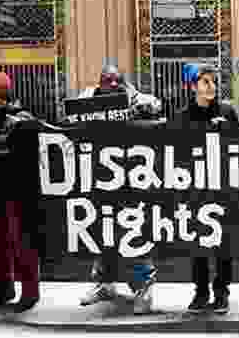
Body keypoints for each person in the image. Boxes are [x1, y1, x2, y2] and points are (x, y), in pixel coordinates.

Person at [77, 64, 162, 314]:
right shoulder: (89, 99)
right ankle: (104, 283)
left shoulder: (137, 98)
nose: (112, 86)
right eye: (107, 81)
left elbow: (155, 106)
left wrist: (142, 108)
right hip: (101, 180)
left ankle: (143, 288)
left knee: (135, 237)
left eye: (117, 82)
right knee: (101, 234)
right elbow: (70, 116)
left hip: (133, 181)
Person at [0, 72, 41, 312]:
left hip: (17, 192)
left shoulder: (21, 120)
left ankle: (30, 291)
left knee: (20, 242)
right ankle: (4, 287)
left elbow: (18, 158)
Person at [176, 63, 238, 314]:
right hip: (195, 190)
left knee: (224, 245)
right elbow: (176, 153)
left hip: (223, 189)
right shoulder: (182, 116)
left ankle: (221, 292)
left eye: (214, 81)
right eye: (205, 82)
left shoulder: (227, 111)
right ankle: (201, 292)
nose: (211, 86)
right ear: (192, 86)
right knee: (198, 245)